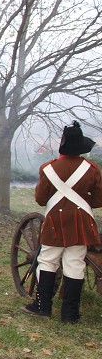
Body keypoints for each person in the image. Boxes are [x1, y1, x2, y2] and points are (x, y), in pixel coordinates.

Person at [22, 121, 102, 322]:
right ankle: (70, 314)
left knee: (48, 260)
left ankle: (43, 307)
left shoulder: (48, 168)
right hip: (81, 222)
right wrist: (82, 203)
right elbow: (99, 199)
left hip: (55, 221)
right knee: (75, 264)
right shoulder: (92, 169)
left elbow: (41, 199)